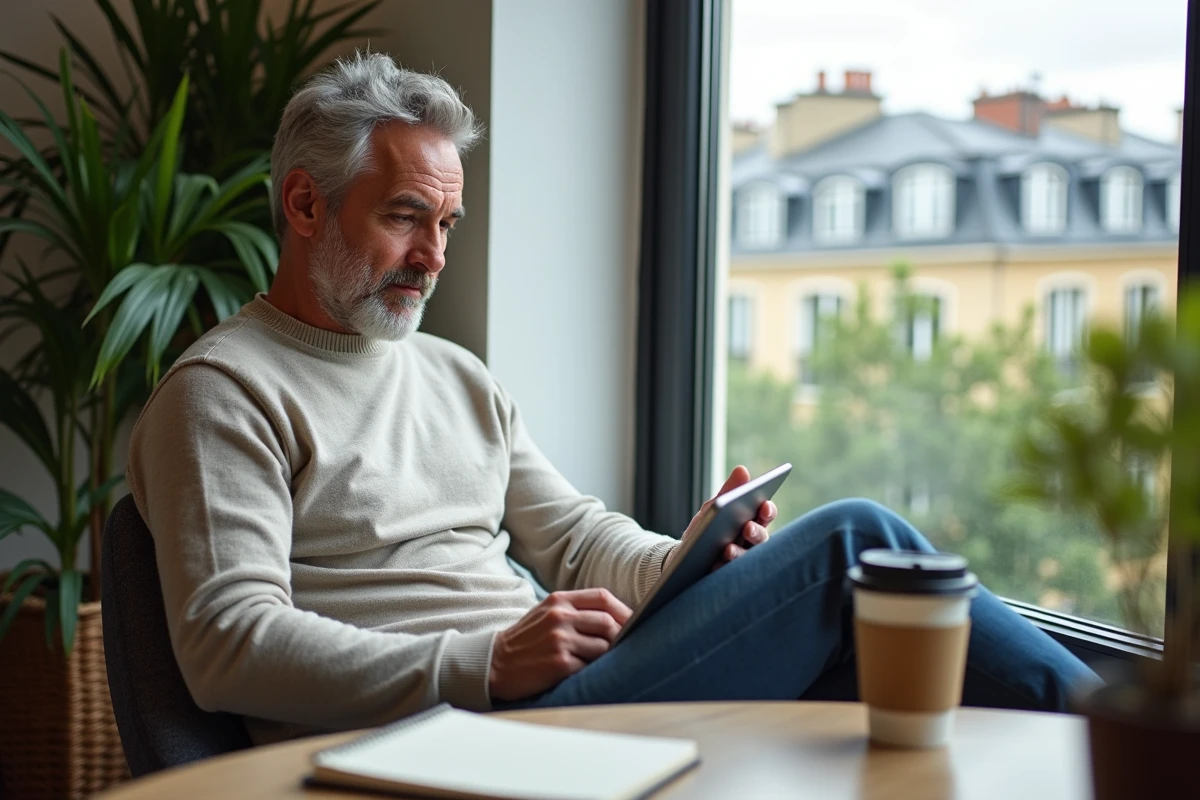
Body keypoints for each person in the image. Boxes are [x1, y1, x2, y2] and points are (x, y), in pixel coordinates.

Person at [127, 52, 1097, 746]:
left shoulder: (453, 372)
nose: (433, 256)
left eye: (448, 222)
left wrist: (691, 558)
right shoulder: (223, 392)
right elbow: (230, 644)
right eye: (404, 217)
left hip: (554, 694)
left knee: (875, 687)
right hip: (454, 733)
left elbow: (581, 541)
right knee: (855, 544)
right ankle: (1146, 745)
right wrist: (486, 657)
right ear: (304, 205)